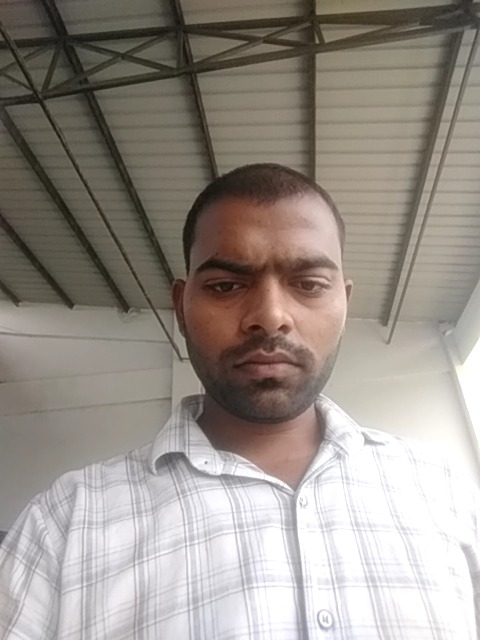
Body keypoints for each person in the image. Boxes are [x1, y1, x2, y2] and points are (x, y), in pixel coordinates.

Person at [0, 163, 478, 639]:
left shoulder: (445, 494)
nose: (270, 316)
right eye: (226, 286)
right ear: (182, 308)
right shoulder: (66, 522)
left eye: (309, 284)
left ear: (345, 303)